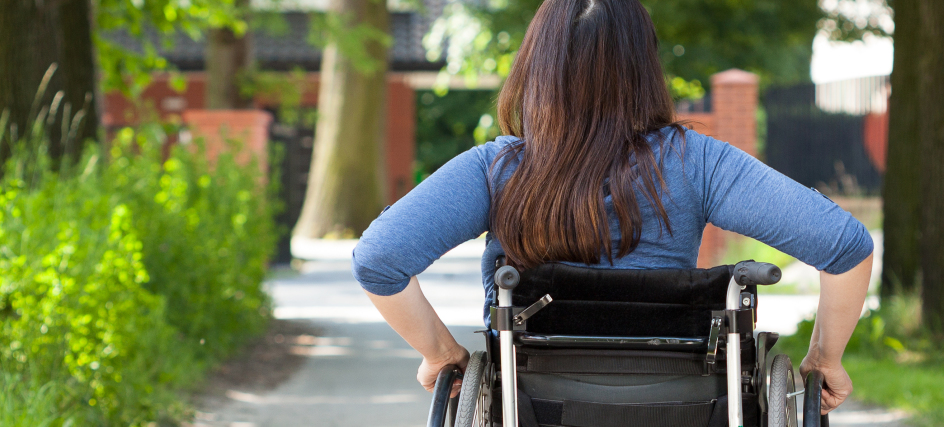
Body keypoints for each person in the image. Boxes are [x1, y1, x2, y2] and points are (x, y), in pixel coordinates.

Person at [350, 0, 873, 416]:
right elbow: (846, 247)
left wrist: (442, 354)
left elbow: (379, 259)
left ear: (537, 67)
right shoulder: (696, 161)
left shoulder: (498, 168)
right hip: (681, 403)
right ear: (645, 68)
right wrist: (824, 360)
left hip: (532, 401)